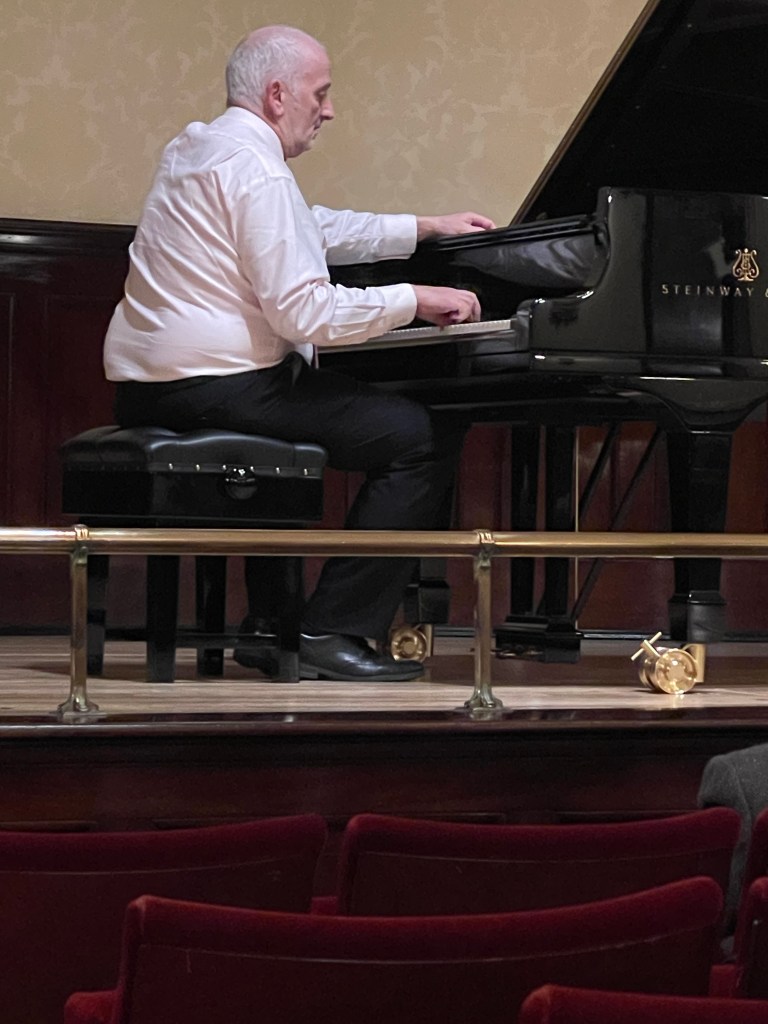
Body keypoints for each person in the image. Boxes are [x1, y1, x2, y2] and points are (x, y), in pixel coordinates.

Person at [103, 24, 496, 682]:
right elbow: (305, 312)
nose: (329, 110)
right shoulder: (256, 169)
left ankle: (271, 627)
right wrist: (413, 298)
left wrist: (424, 228)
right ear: (277, 94)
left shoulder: (196, 148)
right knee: (419, 435)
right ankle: (331, 630)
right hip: (221, 387)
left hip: (146, 391)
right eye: (321, 93)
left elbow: (307, 226)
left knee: (319, 399)